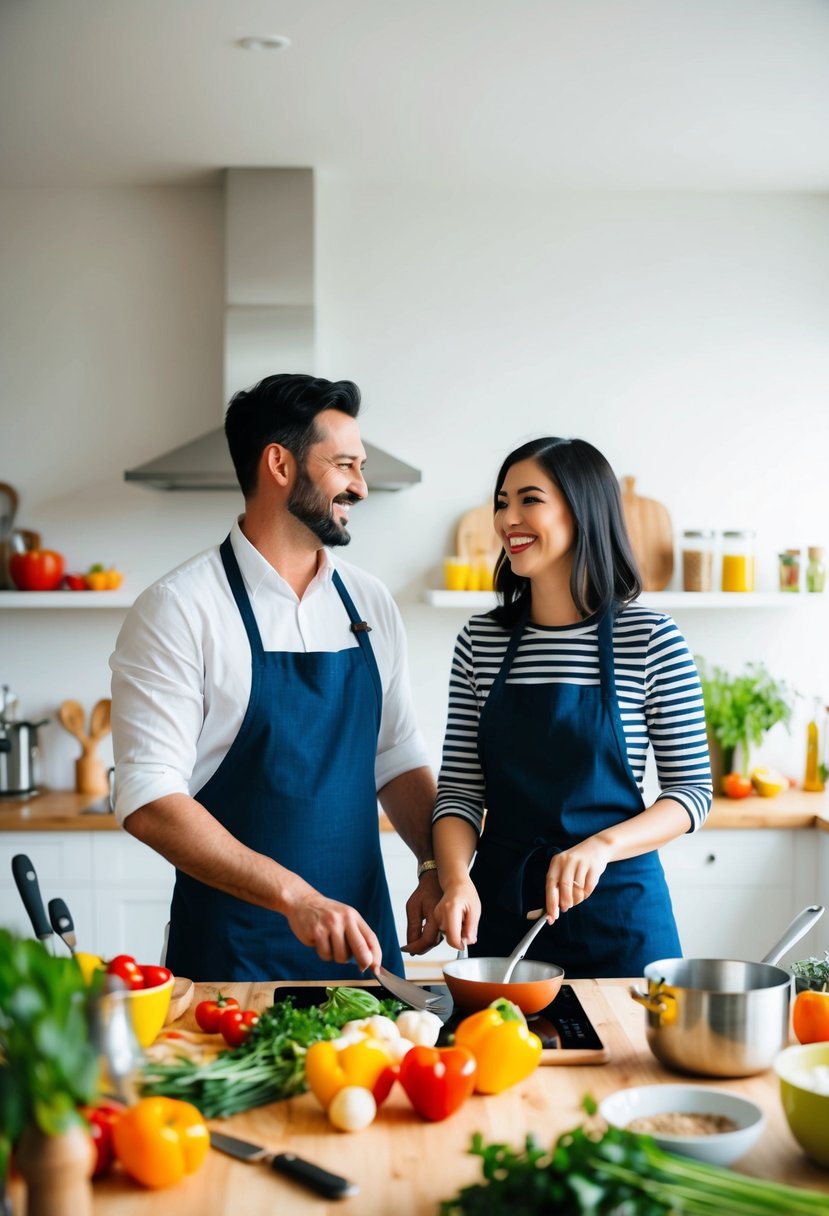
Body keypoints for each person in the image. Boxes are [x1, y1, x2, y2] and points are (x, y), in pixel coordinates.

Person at [110, 373, 440, 982]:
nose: (361, 487)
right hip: (233, 966)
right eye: (345, 465)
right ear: (280, 465)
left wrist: (435, 868)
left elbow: (395, 755)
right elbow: (150, 800)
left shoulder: (367, 602)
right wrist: (297, 898)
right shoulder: (179, 608)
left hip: (364, 959)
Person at [432, 436, 712, 978]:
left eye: (529, 499)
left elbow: (691, 793)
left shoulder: (650, 638)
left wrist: (602, 846)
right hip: (504, 913)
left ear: (583, 510)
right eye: (501, 501)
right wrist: (454, 879)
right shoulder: (481, 640)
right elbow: (462, 792)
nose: (507, 518)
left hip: (620, 912)